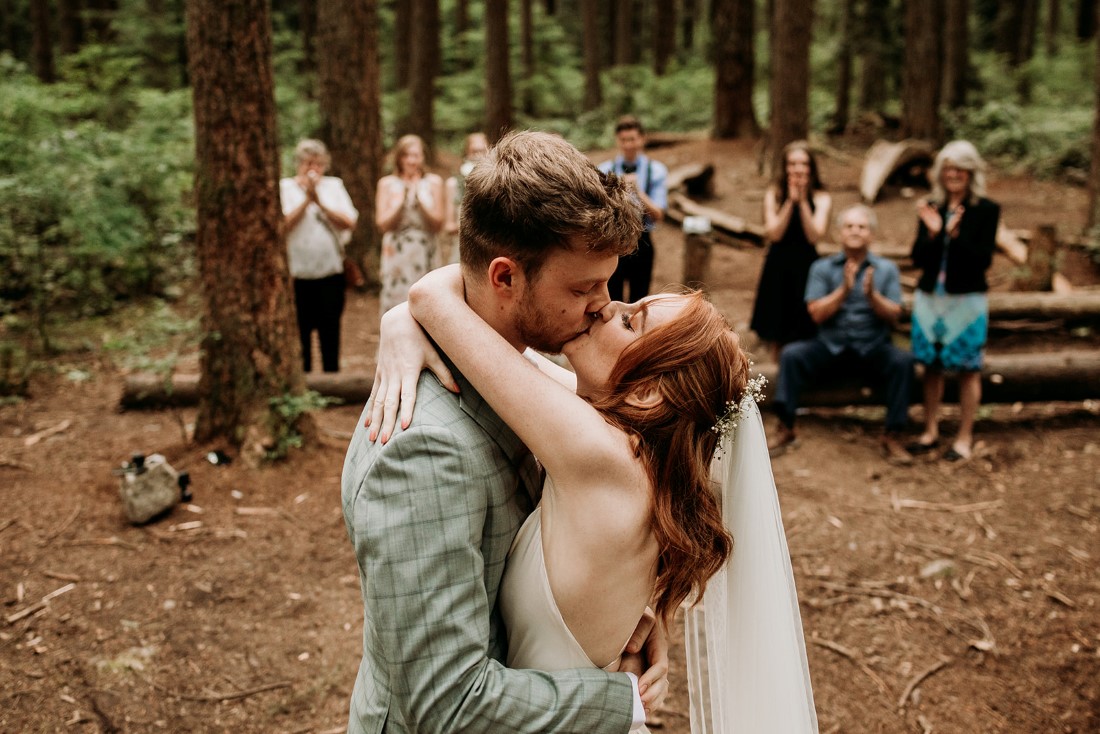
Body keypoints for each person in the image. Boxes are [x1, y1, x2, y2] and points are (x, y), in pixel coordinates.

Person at [361, 133, 819, 733]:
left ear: (652, 391)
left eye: (631, 319)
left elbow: (432, 297)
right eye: (594, 291)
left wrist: (406, 314)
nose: (605, 307)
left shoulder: (602, 454)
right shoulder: (626, 445)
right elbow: (481, 330)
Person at [344, 131, 663, 734]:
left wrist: (630, 614)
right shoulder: (425, 452)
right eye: (581, 288)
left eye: (606, 284)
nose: (602, 306)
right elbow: (447, 705)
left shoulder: (527, 387)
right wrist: (621, 703)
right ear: (505, 278)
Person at [769, 205, 916, 465]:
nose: (855, 231)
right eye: (849, 226)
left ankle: (893, 436)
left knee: (903, 361)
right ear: (839, 233)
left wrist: (872, 296)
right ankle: (786, 427)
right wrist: (844, 291)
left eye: (861, 227)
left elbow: (894, 315)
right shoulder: (822, 268)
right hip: (830, 345)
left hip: (873, 346)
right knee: (791, 355)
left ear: (871, 234)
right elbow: (815, 314)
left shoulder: (886, 269)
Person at [909, 141, 1000, 462]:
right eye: (949, 168)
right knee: (931, 367)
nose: (954, 174)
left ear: (971, 172)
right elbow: (917, 257)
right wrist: (934, 234)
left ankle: (964, 436)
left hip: (968, 300)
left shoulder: (987, 210)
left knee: (968, 368)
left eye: (960, 168)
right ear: (940, 173)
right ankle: (930, 430)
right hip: (930, 298)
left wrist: (953, 236)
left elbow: (982, 260)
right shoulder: (931, 207)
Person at [280, 139, 359, 373]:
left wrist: (321, 203)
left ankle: (332, 379)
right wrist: (307, 200)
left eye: (318, 163)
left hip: (330, 273)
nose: (313, 168)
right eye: (307, 163)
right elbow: (281, 226)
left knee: (330, 328)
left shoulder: (334, 186)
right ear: (298, 164)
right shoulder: (285, 187)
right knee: (300, 330)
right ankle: (304, 382)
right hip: (297, 275)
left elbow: (349, 222)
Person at [750, 141, 832, 362]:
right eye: (793, 163)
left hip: (808, 267)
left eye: (803, 163)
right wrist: (790, 202)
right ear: (785, 167)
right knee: (777, 331)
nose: (798, 168)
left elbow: (815, 234)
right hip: (778, 265)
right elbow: (774, 233)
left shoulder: (822, 197)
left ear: (811, 167)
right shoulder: (774, 194)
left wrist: (803, 202)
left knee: (804, 328)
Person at [597, 115, 668, 302]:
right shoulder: (604, 170)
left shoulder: (656, 170)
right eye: (623, 140)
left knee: (639, 300)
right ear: (617, 141)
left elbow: (658, 215)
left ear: (642, 139)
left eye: (632, 139)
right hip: (614, 243)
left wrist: (638, 192)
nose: (628, 145)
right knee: (612, 301)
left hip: (643, 242)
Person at [375, 134, 445, 315]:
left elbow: (438, 223)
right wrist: (401, 201)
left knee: (427, 301)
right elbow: (382, 224)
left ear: (423, 157)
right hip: (396, 252)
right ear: (399, 158)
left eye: (416, 155)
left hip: (425, 249)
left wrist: (420, 200)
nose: (411, 160)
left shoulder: (433, 182)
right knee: (397, 305)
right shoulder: (387, 183)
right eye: (406, 155)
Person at [443, 132, 490, 264]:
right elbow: (449, 226)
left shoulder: (498, 184)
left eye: (482, 150)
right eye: (474, 151)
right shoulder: (454, 184)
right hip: (463, 249)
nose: (478, 156)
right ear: (466, 154)